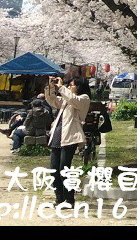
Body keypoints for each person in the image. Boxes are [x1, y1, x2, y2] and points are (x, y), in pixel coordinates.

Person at [45, 75, 91, 207]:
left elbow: (73, 100)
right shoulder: (66, 99)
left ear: (80, 86)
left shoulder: (83, 99)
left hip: (70, 137)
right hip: (57, 135)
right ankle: (59, 198)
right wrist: (50, 87)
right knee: (54, 170)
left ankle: (69, 200)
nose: (70, 87)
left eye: (72, 85)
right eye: (69, 85)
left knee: (64, 169)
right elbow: (52, 100)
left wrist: (61, 87)